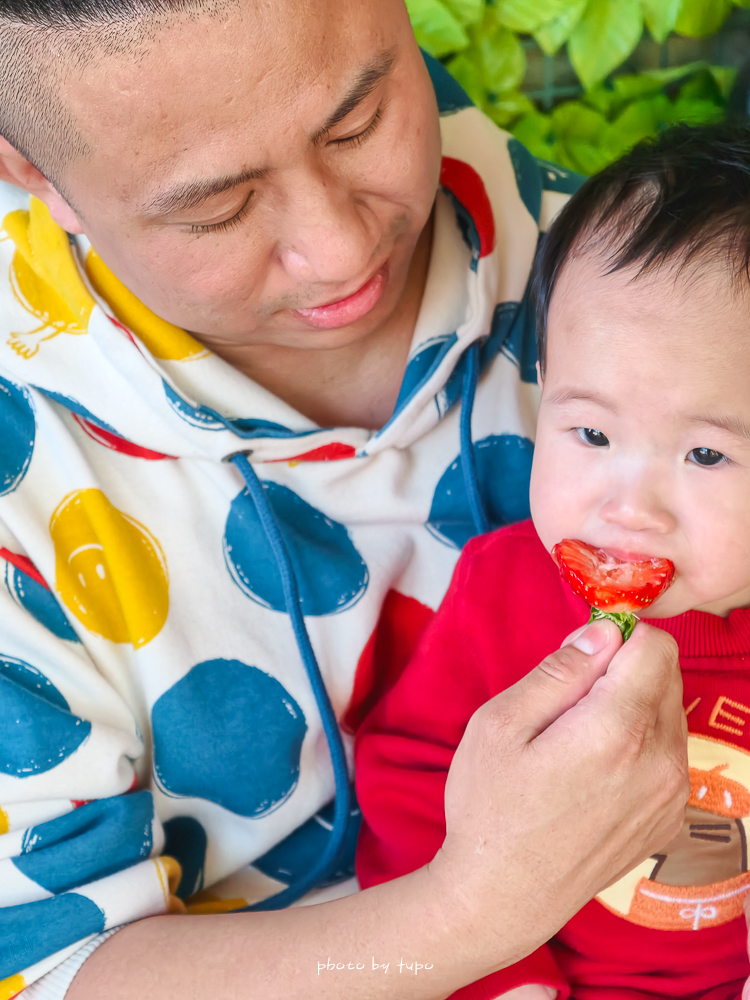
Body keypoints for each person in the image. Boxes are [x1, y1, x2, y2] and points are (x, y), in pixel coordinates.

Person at [0, 2, 688, 999]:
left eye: (359, 123)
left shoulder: (656, 285)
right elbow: (44, 968)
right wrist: (472, 913)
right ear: (31, 170)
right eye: (217, 210)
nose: (336, 249)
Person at [355, 120, 750, 1000]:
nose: (629, 508)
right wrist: (506, 978)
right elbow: (414, 789)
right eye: (592, 434)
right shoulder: (502, 594)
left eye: (706, 455)